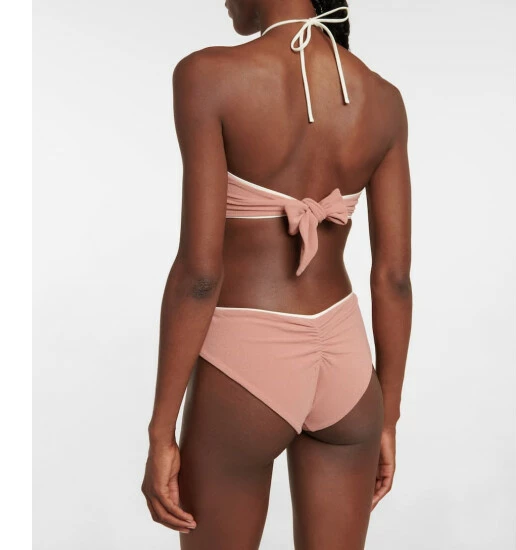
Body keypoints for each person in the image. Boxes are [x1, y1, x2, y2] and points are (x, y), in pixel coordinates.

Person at [141, 0, 412, 548]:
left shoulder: (207, 75)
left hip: (246, 361)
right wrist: (387, 417)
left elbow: (200, 274)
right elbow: (394, 279)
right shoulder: (383, 99)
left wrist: (160, 430)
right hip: (349, 368)